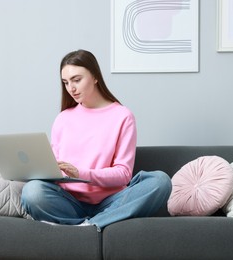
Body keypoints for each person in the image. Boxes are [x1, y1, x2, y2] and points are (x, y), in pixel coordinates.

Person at [21, 49, 172, 231]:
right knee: (32, 191)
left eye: (77, 80)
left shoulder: (122, 116)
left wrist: (81, 173)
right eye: (66, 82)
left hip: (111, 202)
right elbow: (55, 167)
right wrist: (41, 172)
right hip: (70, 202)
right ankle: (96, 223)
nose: (71, 88)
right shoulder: (63, 118)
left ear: (95, 77)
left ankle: (89, 224)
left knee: (160, 182)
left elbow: (123, 174)